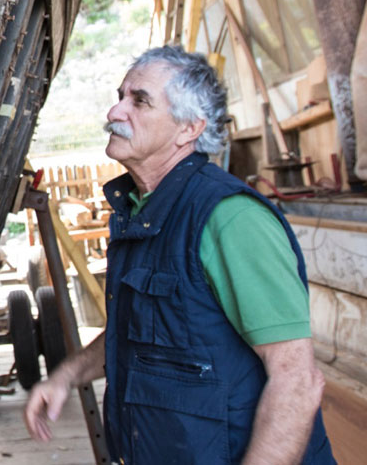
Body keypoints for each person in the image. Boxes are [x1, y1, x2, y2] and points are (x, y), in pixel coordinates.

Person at [24, 46, 334, 463]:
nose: (115, 111)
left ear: (189, 128)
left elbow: (296, 380)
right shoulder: (143, 211)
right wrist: (66, 376)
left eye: (139, 100)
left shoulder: (229, 218)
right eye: (120, 96)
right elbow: (136, 332)